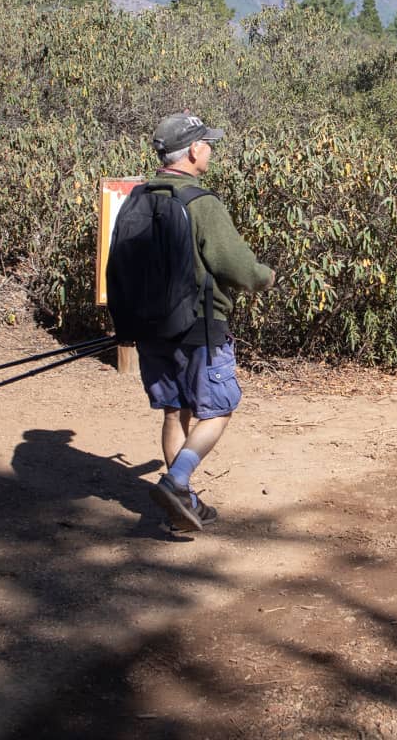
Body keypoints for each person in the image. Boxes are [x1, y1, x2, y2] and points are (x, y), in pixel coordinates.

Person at [137, 112, 274, 533]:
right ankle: (177, 481)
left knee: (173, 409)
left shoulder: (140, 198)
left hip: (149, 326)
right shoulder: (201, 201)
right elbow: (234, 264)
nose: (211, 149)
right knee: (220, 408)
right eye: (207, 143)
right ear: (194, 150)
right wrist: (263, 276)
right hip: (200, 325)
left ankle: (185, 504)